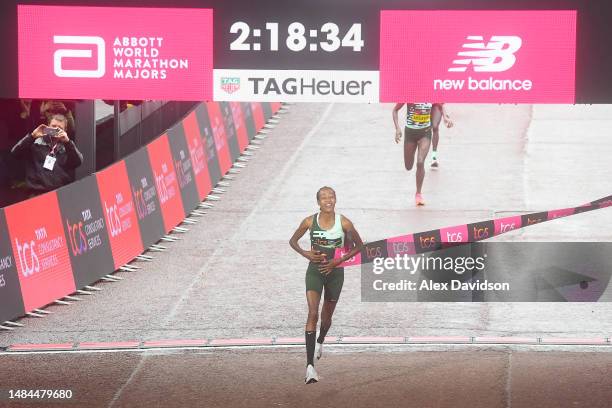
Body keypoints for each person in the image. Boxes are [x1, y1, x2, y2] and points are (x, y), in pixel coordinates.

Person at [289, 186, 364, 384]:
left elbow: (361, 246)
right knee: (312, 312)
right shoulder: (308, 221)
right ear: (318, 202)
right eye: (324, 198)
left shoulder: (344, 222)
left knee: (326, 317)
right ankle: (309, 367)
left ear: (335, 200)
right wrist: (306, 253)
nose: (328, 200)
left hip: (335, 273)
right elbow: (293, 241)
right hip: (315, 272)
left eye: (331, 197)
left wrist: (337, 262)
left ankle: (321, 341)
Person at [10, 113, 83, 197]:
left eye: (60, 128)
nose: (55, 129)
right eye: (53, 126)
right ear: (48, 126)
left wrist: (68, 142)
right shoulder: (35, 141)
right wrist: (32, 136)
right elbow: (15, 153)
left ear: (65, 130)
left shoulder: (67, 146)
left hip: (60, 193)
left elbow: (78, 162)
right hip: (36, 193)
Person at [392, 103, 441, 206]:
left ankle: (418, 193)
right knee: (408, 166)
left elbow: (441, 105)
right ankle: (418, 193)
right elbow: (395, 110)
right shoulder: (409, 94)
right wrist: (397, 128)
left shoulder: (431, 94)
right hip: (410, 134)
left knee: (420, 161)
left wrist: (446, 117)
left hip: (425, 133)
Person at [430, 103, 454, 168]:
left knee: (435, 127)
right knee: (424, 129)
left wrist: (445, 117)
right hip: (421, 105)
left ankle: (433, 157)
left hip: (435, 105)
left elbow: (441, 103)